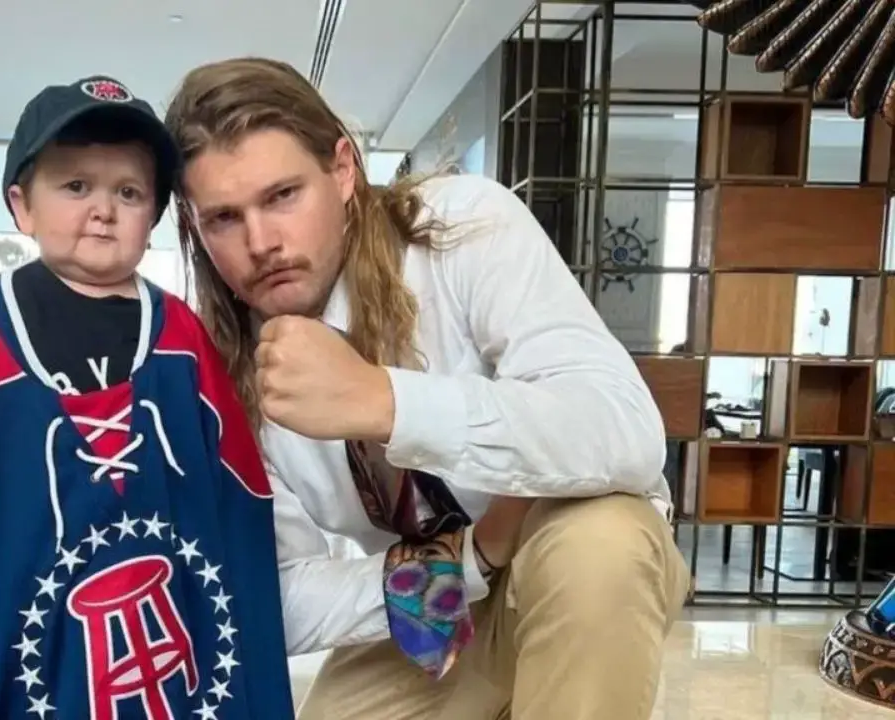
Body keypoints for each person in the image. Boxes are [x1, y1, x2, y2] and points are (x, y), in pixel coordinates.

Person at [163, 58, 690, 720]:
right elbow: (279, 596)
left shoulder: (461, 227)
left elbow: (626, 430)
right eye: (223, 219)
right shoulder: (224, 371)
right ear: (195, 229)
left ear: (343, 168)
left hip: (569, 556)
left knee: (600, 546)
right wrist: (471, 557)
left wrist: (387, 402)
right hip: (435, 603)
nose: (262, 242)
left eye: (282, 196)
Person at [0, 75, 296, 720]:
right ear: (22, 206)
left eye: (128, 192)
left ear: (155, 217)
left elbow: (239, 512)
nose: (103, 208)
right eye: (75, 186)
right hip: (21, 653)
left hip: (173, 666)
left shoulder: (182, 341)